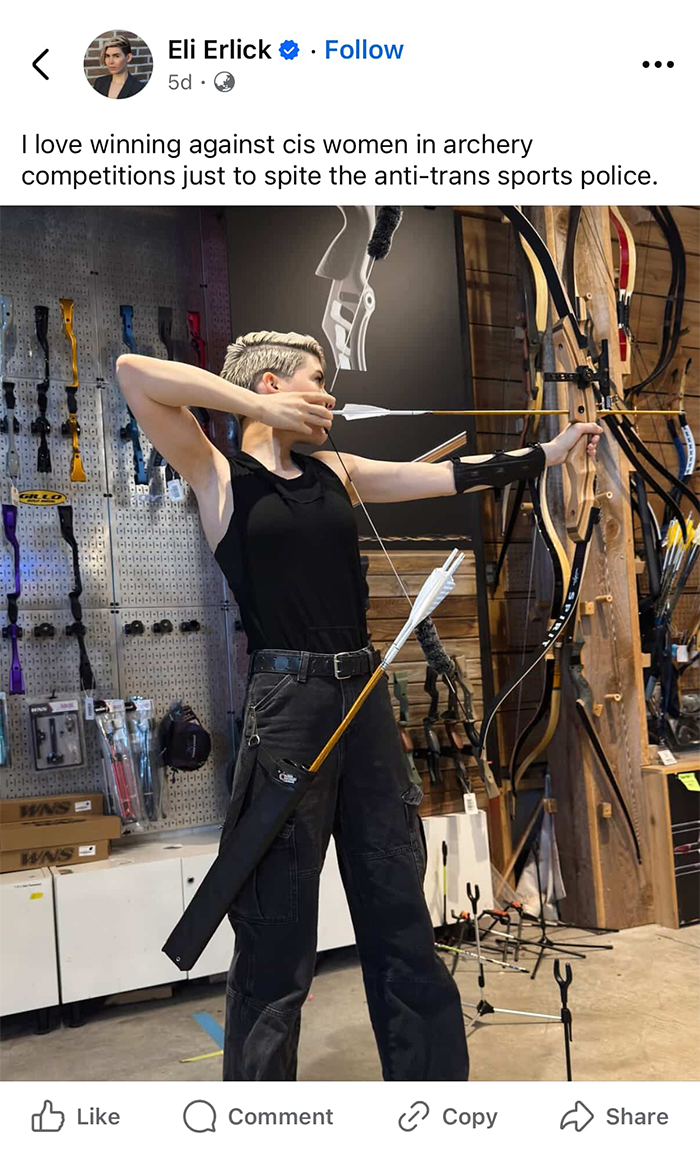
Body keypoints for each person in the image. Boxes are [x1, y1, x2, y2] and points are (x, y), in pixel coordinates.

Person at [116, 331, 601, 1081]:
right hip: (287, 709)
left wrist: (552, 452)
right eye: (317, 383)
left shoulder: (336, 470)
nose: (332, 399)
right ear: (273, 384)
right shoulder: (217, 475)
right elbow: (134, 374)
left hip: (363, 695)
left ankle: (434, 1098)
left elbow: (445, 478)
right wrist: (254, 406)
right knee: (276, 928)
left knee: (398, 906)